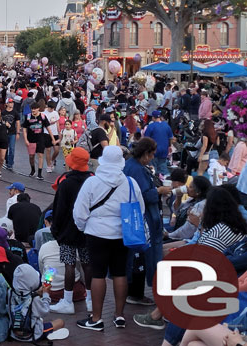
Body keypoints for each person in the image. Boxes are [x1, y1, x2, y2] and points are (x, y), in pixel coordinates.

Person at [73, 145, 145, 331]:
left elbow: (79, 211)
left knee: (98, 274)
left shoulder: (92, 182)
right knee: (120, 273)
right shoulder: (130, 182)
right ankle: (119, 315)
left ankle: (96, 318)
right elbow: (140, 210)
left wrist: (84, 227)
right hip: (123, 234)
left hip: (96, 232)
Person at [123, 137, 171, 307]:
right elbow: (143, 195)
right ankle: (135, 293)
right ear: (145, 153)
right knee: (141, 257)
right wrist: (159, 190)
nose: (152, 158)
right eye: (151, 155)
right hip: (142, 220)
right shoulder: (136, 169)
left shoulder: (132, 165)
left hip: (135, 219)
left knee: (137, 256)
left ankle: (133, 292)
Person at [50, 148, 94, 314]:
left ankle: (68, 301)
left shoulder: (65, 182)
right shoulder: (92, 180)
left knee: (69, 263)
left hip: (68, 230)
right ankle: (90, 299)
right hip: (88, 229)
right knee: (87, 263)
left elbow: (58, 209)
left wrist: (56, 229)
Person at [9, 264, 66, 342]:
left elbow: (25, 297)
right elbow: (45, 311)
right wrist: (46, 294)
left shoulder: (10, 293)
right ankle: (48, 335)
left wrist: (37, 293)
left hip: (14, 333)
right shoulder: (34, 299)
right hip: (33, 334)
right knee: (60, 322)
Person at [23, 102, 56, 179]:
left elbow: (48, 128)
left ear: (38, 109)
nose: (33, 110)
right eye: (32, 109)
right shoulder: (28, 117)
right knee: (31, 156)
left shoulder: (43, 116)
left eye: (34, 109)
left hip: (40, 138)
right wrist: (25, 140)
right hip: (31, 139)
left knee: (40, 155)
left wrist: (53, 139)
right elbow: (24, 129)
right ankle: (33, 169)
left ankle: (39, 173)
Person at [144, 110, 174, 176]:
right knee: (163, 167)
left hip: (153, 150)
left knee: (153, 169)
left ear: (153, 117)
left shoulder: (151, 126)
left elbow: (146, 139)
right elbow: (171, 138)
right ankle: (165, 181)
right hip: (164, 149)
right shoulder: (166, 126)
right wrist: (169, 146)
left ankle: (155, 182)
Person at [2, 99, 21, 171]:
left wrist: (18, 132)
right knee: (5, 148)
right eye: (10, 102)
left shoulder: (15, 113)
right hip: (4, 133)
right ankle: (7, 160)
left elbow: (18, 123)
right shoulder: (3, 112)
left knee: (12, 148)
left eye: (12, 102)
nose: (11, 104)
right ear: (7, 104)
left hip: (12, 132)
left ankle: (10, 164)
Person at [43, 100, 61, 172]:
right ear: (48, 107)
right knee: (48, 150)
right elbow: (43, 124)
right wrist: (49, 122)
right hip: (46, 133)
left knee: (57, 150)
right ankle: (48, 165)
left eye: (53, 108)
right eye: (51, 108)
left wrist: (59, 132)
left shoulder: (55, 113)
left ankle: (52, 160)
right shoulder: (43, 113)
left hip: (55, 133)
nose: (52, 110)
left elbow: (57, 122)